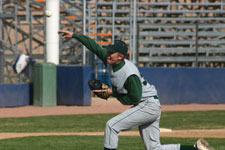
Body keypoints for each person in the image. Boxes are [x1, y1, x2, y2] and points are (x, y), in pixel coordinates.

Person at [58, 30, 215, 150]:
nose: (108, 53)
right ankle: (195, 148)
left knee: (111, 126)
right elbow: (93, 46)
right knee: (155, 148)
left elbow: (134, 98)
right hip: (149, 104)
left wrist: (112, 93)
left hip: (147, 105)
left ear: (120, 57)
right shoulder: (110, 61)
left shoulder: (129, 73)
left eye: (112, 52)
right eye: (109, 50)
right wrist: (74, 35)